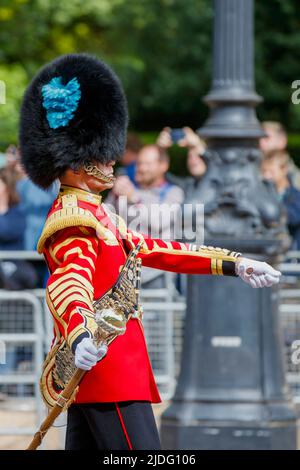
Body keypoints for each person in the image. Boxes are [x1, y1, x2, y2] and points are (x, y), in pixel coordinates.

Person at [20, 53, 281, 451]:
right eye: (100, 153)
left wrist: (234, 263)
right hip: (107, 368)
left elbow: (156, 248)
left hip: (106, 371)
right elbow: (69, 282)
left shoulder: (98, 213)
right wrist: (79, 335)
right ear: (75, 162)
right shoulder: (74, 218)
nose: (111, 158)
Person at [106, 144, 184, 287]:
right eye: (139, 163)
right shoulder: (127, 191)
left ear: (163, 166)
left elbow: (158, 223)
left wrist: (134, 198)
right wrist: (114, 196)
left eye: (147, 164)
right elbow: (105, 221)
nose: (141, 168)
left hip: (157, 275)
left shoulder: (173, 193)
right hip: (123, 273)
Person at [261, 150, 300, 250]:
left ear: (284, 169)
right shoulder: (262, 194)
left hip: (290, 256)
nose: (266, 176)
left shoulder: (295, 197)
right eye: (264, 171)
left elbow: (293, 219)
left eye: (271, 172)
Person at [260, 121, 300, 190]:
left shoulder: (296, 179)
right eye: (258, 139)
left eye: (266, 138)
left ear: (282, 141)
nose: (261, 143)